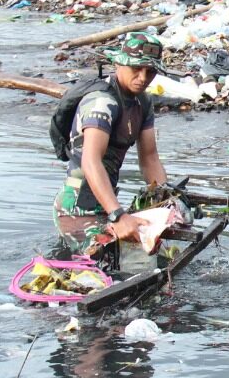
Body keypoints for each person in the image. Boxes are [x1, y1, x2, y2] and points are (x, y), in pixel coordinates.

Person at [54, 32, 169, 251]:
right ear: (119, 63)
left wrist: (166, 200)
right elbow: (91, 162)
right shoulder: (102, 102)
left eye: (151, 71)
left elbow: (150, 158)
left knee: (151, 252)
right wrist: (118, 215)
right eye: (136, 69)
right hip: (77, 206)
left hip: (106, 200)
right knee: (104, 266)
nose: (143, 78)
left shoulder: (142, 102)